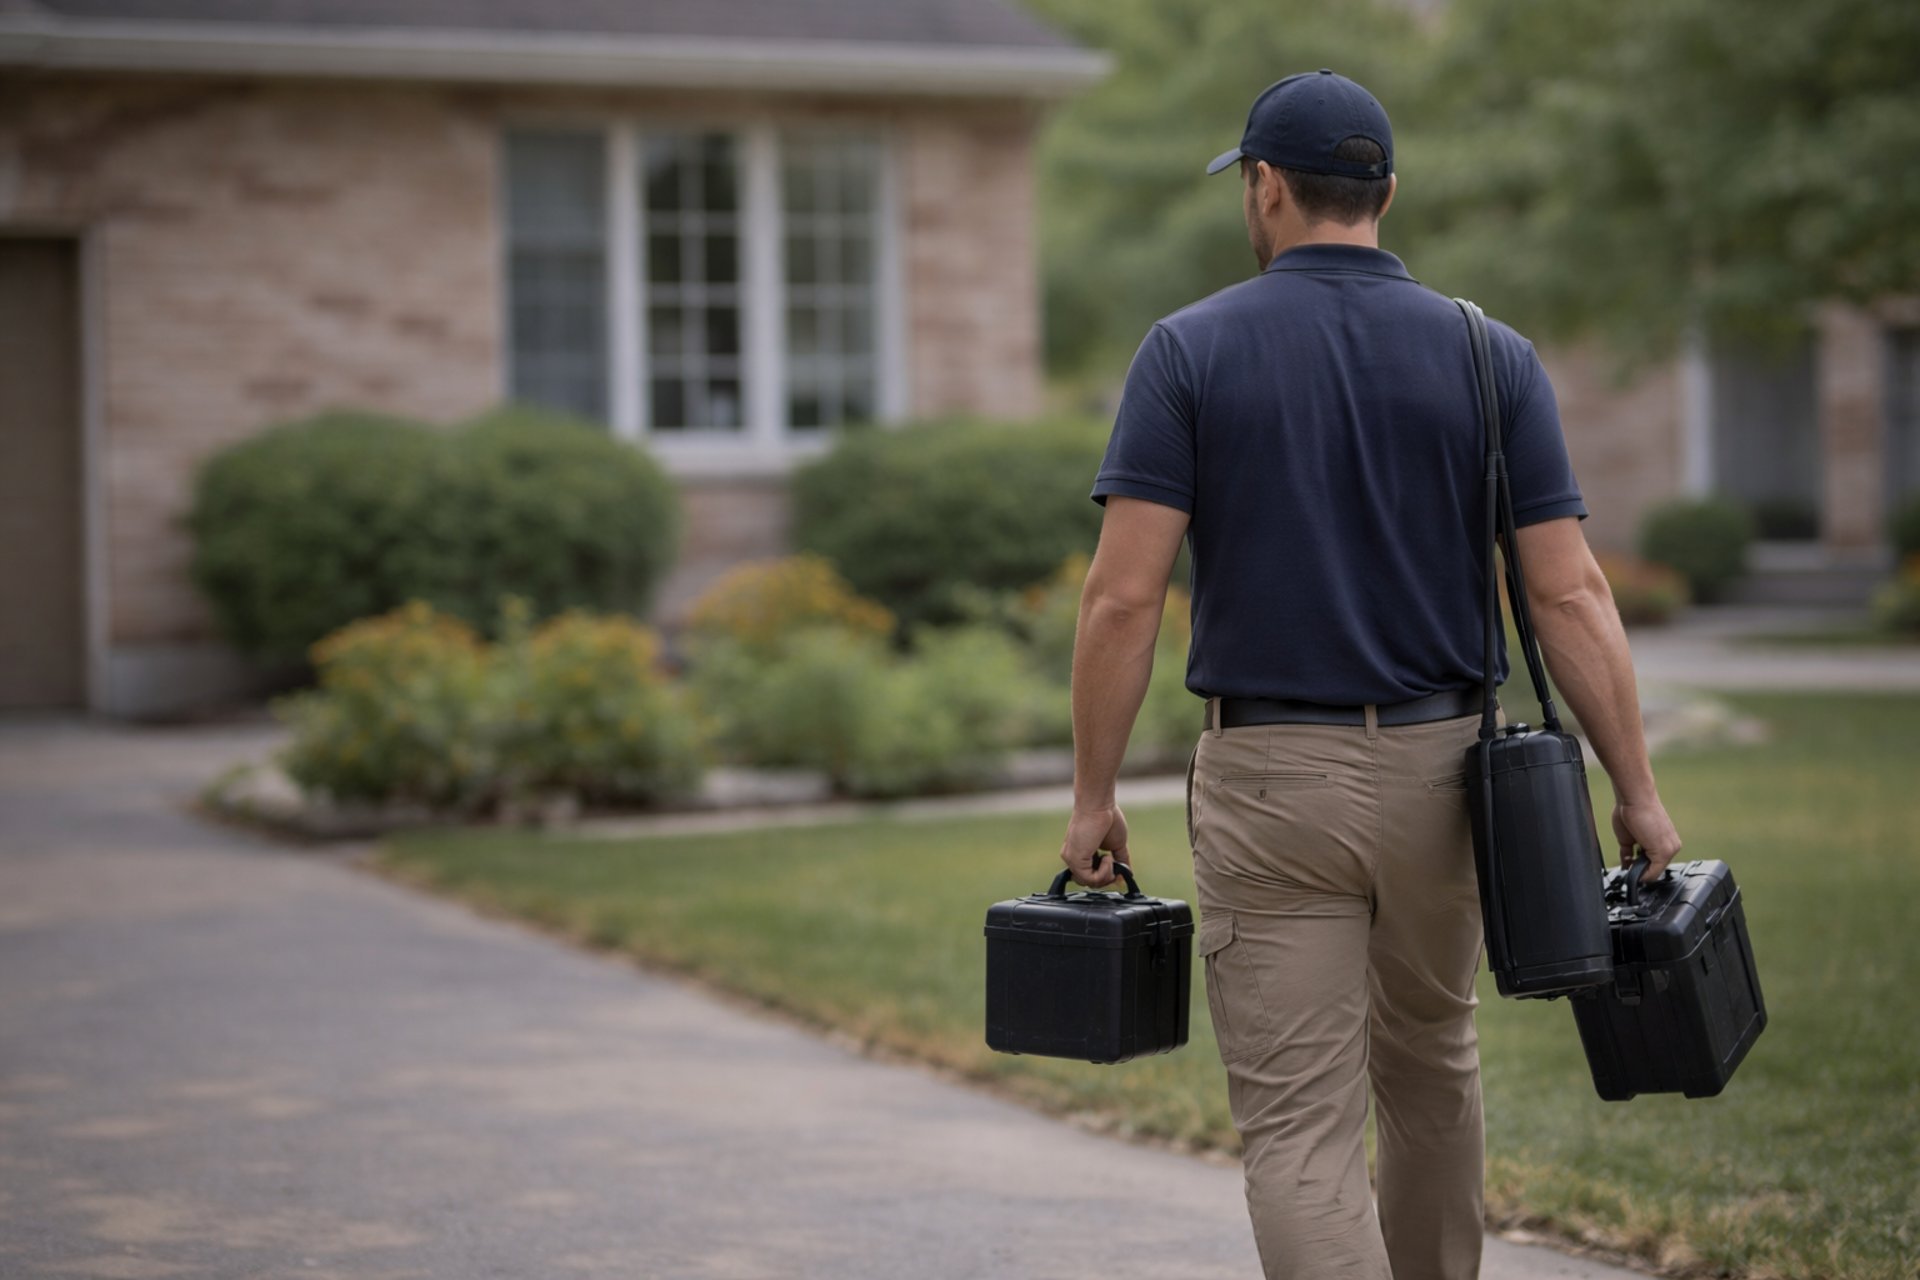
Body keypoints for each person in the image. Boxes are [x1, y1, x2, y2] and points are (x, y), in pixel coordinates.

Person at [1056, 70, 1684, 1280]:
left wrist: (1092, 793)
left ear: (1267, 188)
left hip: (1271, 780)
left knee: (1299, 1123)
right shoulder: (1489, 352)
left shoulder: (1187, 350)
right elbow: (1567, 592)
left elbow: (1123, 596)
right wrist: (1640, 790)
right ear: (1385, 192)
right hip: (1452, 780)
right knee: (1434, 1066)